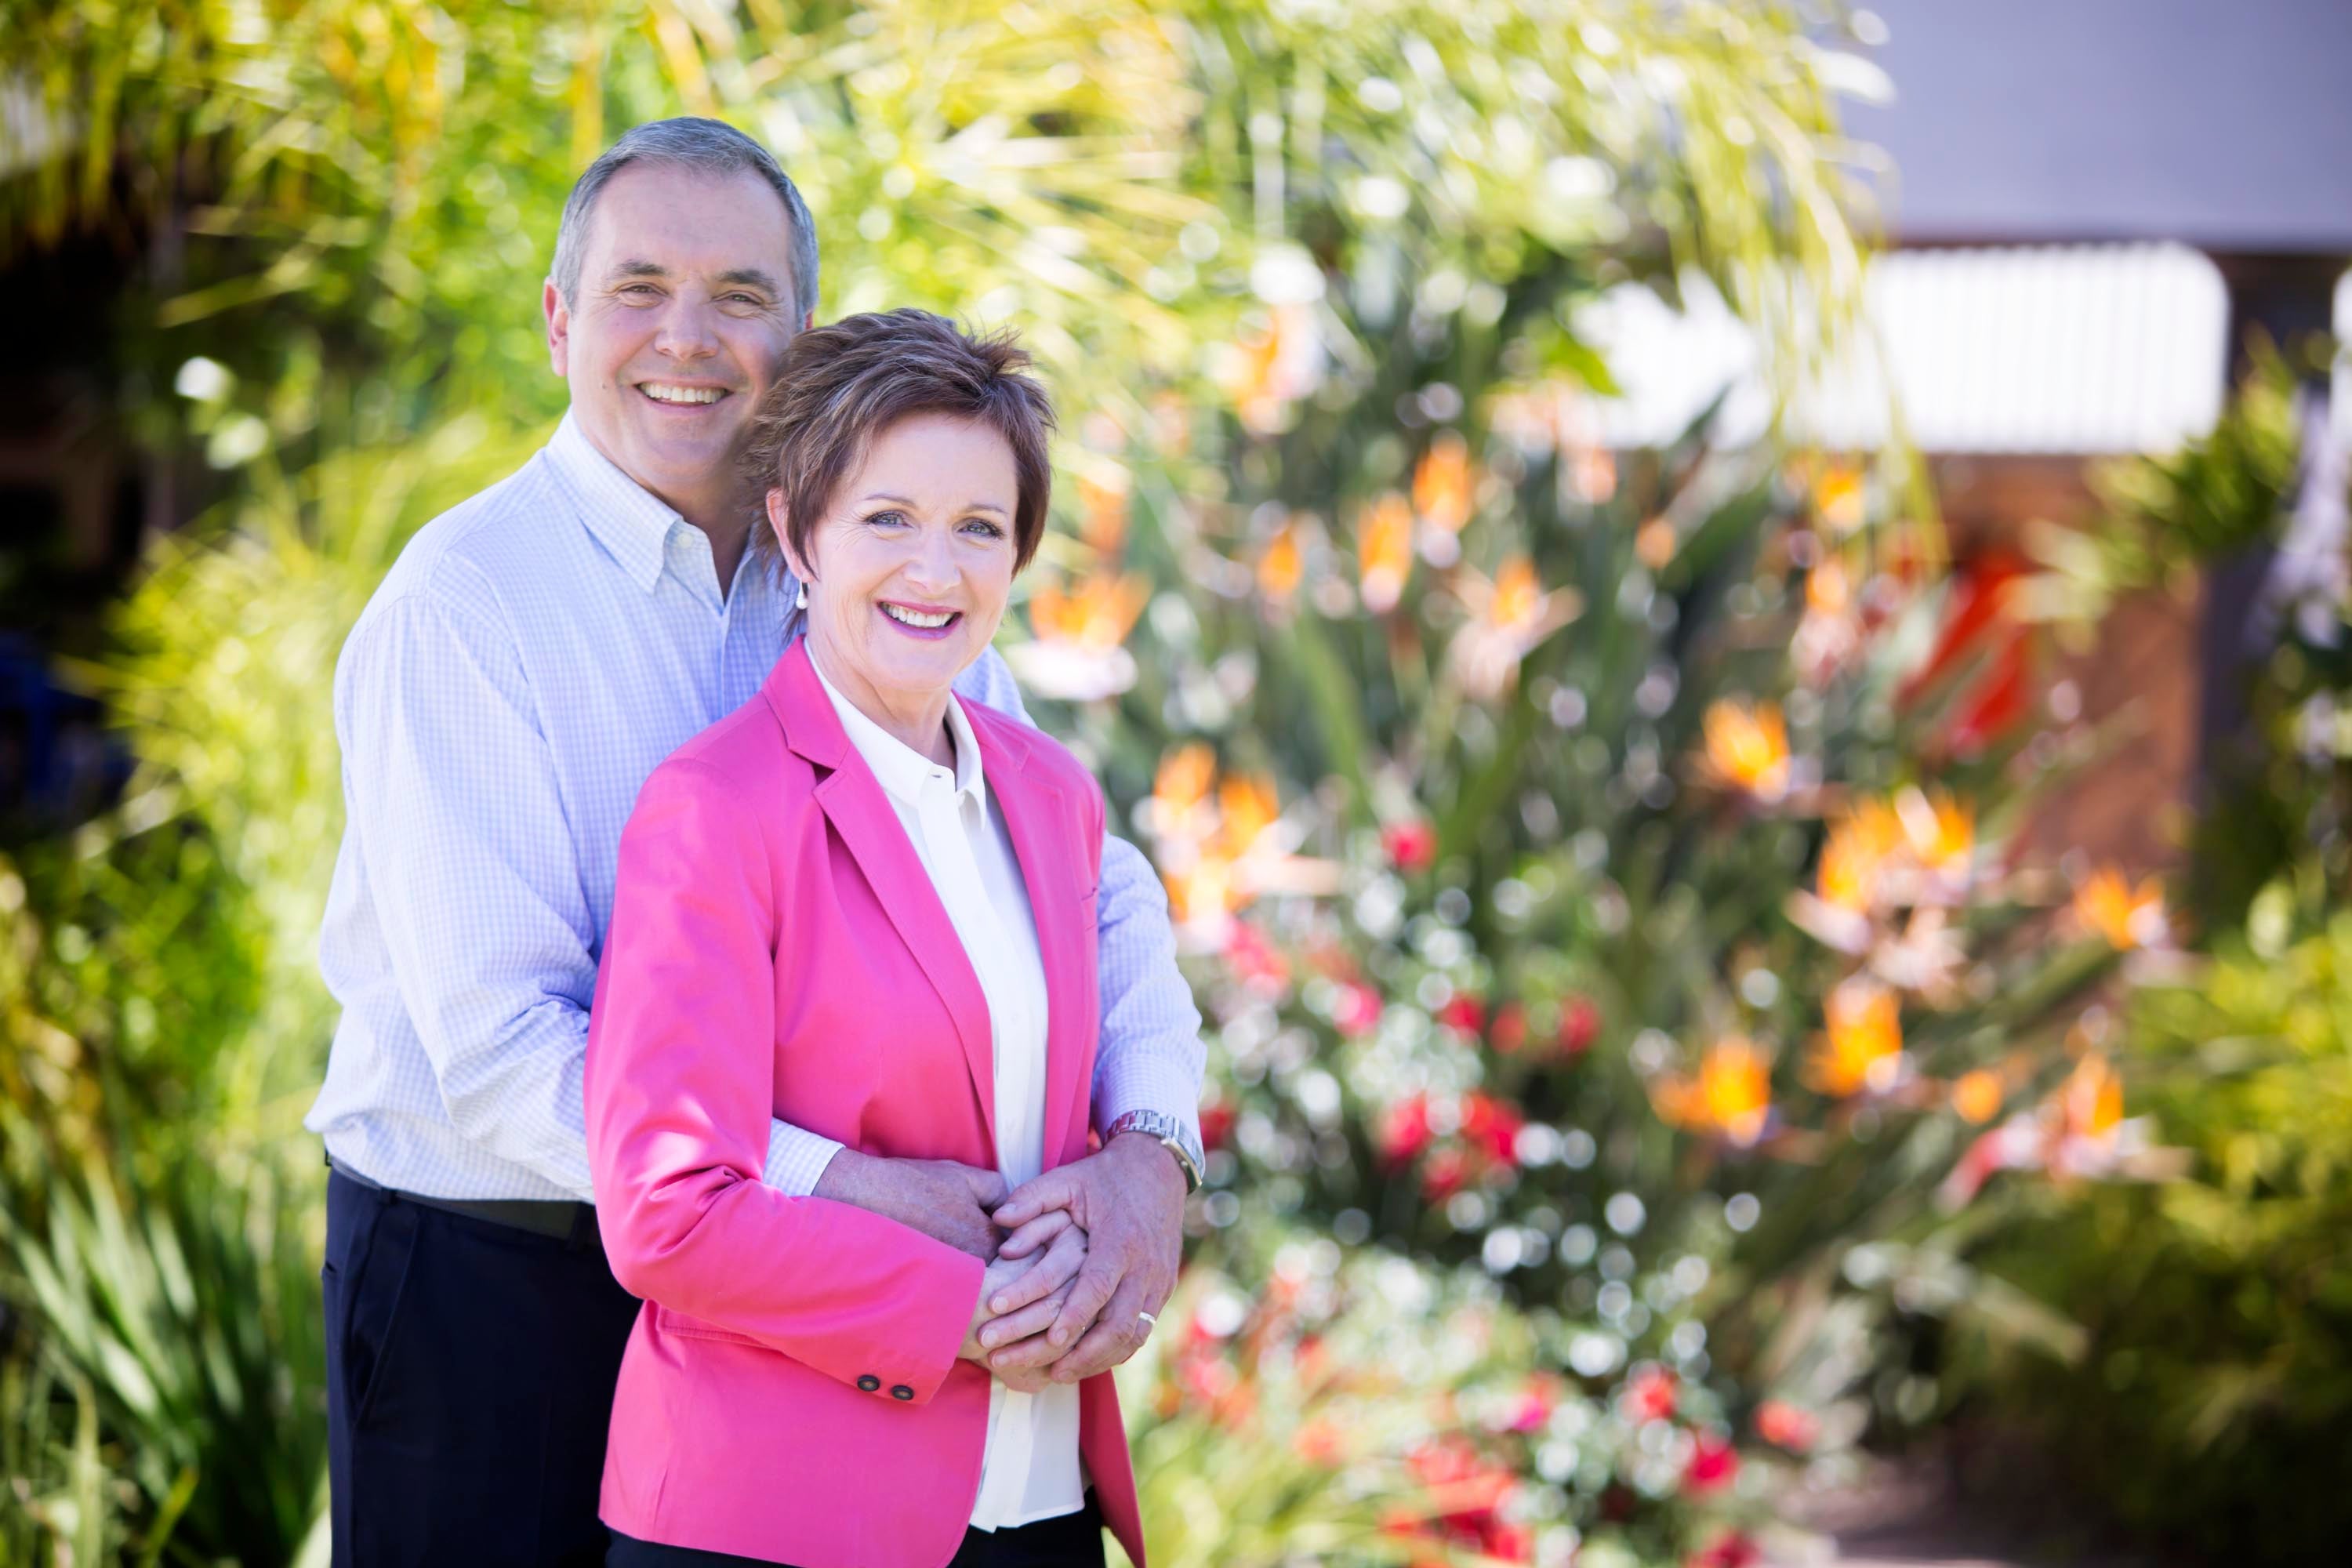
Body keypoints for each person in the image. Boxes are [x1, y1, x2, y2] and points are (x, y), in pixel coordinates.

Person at [307, 119, 1203, 1566]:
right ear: (558, 322)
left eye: (742, 297)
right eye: (639, 287)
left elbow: (1092, 896)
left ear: (803, 332)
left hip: (813, 1315)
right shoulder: (461, 610)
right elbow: (497, 1044)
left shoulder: (889, 570)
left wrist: (1150, 1160)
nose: (689, 337)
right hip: (500, 1285)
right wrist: (833, 1188)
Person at [588, 307, 1139, 1568]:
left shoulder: (1053, 796)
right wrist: (970, 1312)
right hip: (780, 1516)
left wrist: (1135, 1183)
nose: (934, 573)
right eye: (887, 519)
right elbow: (668, 1214)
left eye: (979, 529)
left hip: (1042, 1502)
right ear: (795, 531)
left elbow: (1078, 1106)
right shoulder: (716, 808)